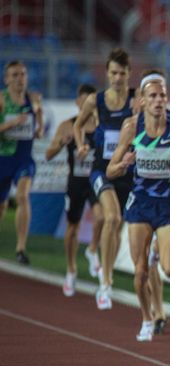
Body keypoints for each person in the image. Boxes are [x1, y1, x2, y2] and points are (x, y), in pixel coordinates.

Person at [106, 72, 170, 341]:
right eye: (153, 96)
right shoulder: (131, 128)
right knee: (140, 270)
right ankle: (147, 318)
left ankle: (158, 249)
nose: (159, 100)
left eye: (163, 96)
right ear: (143, 100)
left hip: (169, 204)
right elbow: (111, 169)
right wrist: (124, 164)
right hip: (140, 204)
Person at [74, 48, 137, 310]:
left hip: (129, 172)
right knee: (111, 217)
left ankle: (99, 260)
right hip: (102, 169)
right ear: (107, 73)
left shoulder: (136, 100)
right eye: (113, 73)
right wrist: (80, 145)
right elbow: (78, 126)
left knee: (118, 228)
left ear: (128, 74)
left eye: (122, 73)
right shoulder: (95, 101)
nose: (117, 78)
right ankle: (106, 282)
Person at [45, 83, 103, 296]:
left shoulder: (102, 127)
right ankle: (71, 270)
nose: (88, 106)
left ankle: (92, 249)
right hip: (75, 183)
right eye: (84, 102)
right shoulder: (68, 126)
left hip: (95, 181)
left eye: (92, 102)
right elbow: (48, 155)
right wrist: (61, 142)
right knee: (72, 228)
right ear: (78, 103)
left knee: (102, 217)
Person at [0, 60, 44, 265]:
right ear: (6, 79)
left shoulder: (33, 98)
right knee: (2, 206)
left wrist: (40, 128)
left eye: (23, 74)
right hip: (3, 158)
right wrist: (12, 123)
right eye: (15, 75)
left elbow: (39, 121)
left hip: (24, 158)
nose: (20, 79)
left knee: (22, 196)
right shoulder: (1, 99)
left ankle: (20, 248)